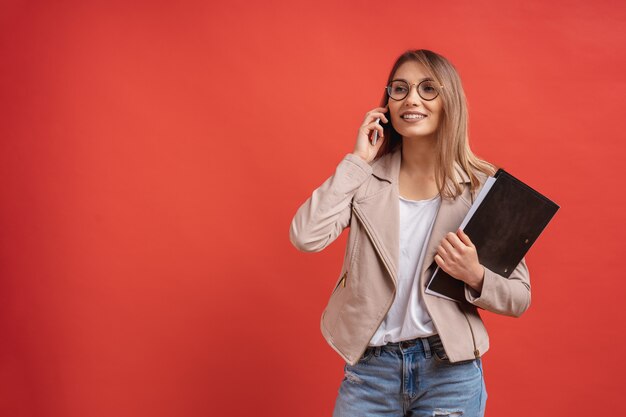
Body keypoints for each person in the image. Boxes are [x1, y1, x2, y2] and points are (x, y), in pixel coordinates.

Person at [289, 49, 531, 417]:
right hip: (370, 371)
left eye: (427, 89)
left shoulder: (482, 190)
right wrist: (356, 161)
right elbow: (306, 236)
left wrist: (474, 274)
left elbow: (519, 297)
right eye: (399, 89)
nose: (411, 99)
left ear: (450, 101)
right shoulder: (365, 179)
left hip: (449, 372)